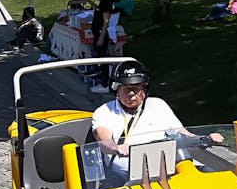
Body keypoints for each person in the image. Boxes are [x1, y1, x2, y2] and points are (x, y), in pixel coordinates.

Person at [92, 60, 224, 177]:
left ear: (145, 90)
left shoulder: (158, 104)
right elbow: (104, 140)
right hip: (131, 174)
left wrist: (205, 139)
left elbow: (182, 133)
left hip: (171, 165)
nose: (131, 94)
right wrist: (116, 148)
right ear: (117, 89)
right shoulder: (104, 112)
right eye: (127, 89)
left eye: (136, 89)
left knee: (211, 177)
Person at [87, 0, 113, 93]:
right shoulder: (103, 2)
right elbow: (98, 9)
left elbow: (106, 21)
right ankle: (103, 81)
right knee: (101, 58)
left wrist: (101, 37)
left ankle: (104, 84)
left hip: (100, 32)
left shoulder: (107, 2)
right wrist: (88, 0)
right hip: (97, 31)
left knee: (103, 59)